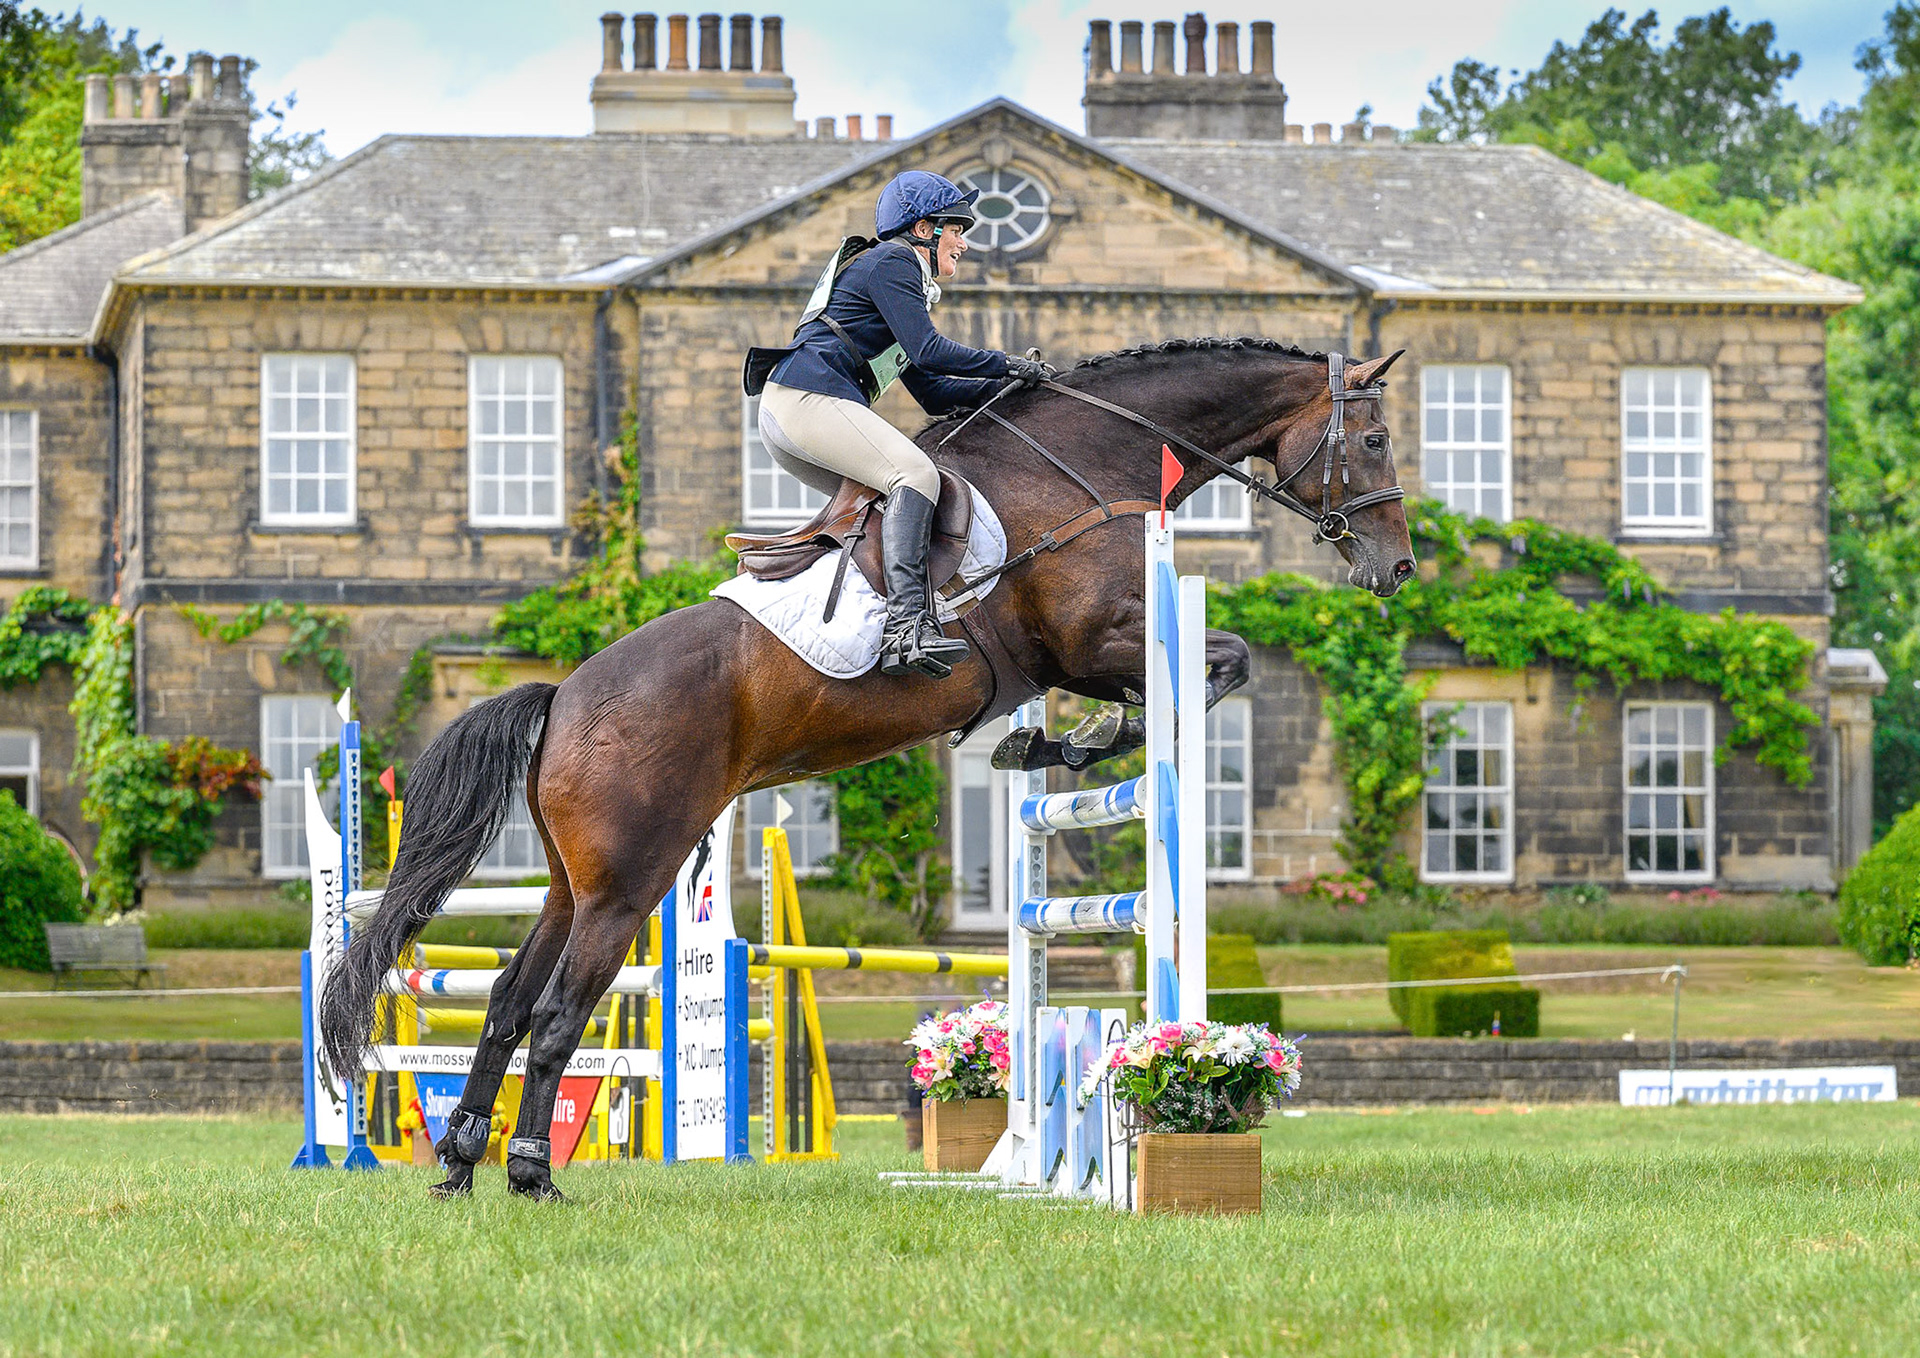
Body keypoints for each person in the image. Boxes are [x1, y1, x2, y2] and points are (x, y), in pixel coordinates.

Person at [742, 170, 1051, 679]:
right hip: (805, 400)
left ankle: (862, 623)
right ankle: (906, 625)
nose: (965, 243)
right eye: (958, 228)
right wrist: (1005, 363)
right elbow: (931, 349)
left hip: (794, 413)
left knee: (894, 502)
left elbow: (933, 390)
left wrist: (1009, 389)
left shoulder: (892, 276)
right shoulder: (894, 261)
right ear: (925, 229)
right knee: (915, 475)